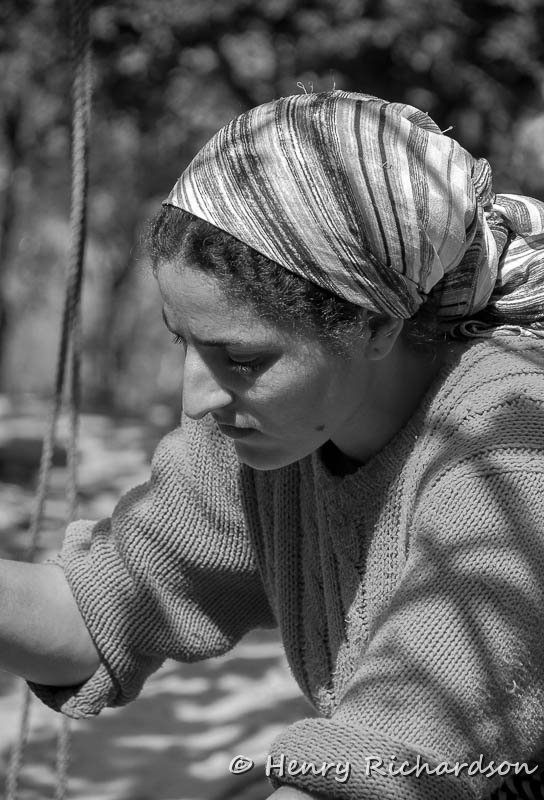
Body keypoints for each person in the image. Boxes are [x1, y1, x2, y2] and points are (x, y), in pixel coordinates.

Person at [2, 89, 544, 800]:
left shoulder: (511, 450)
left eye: (243, 359)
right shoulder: (267, 438)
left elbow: (394, 759)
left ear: (376, 325)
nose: (194, 399)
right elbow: (94, 613)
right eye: (183, 343)